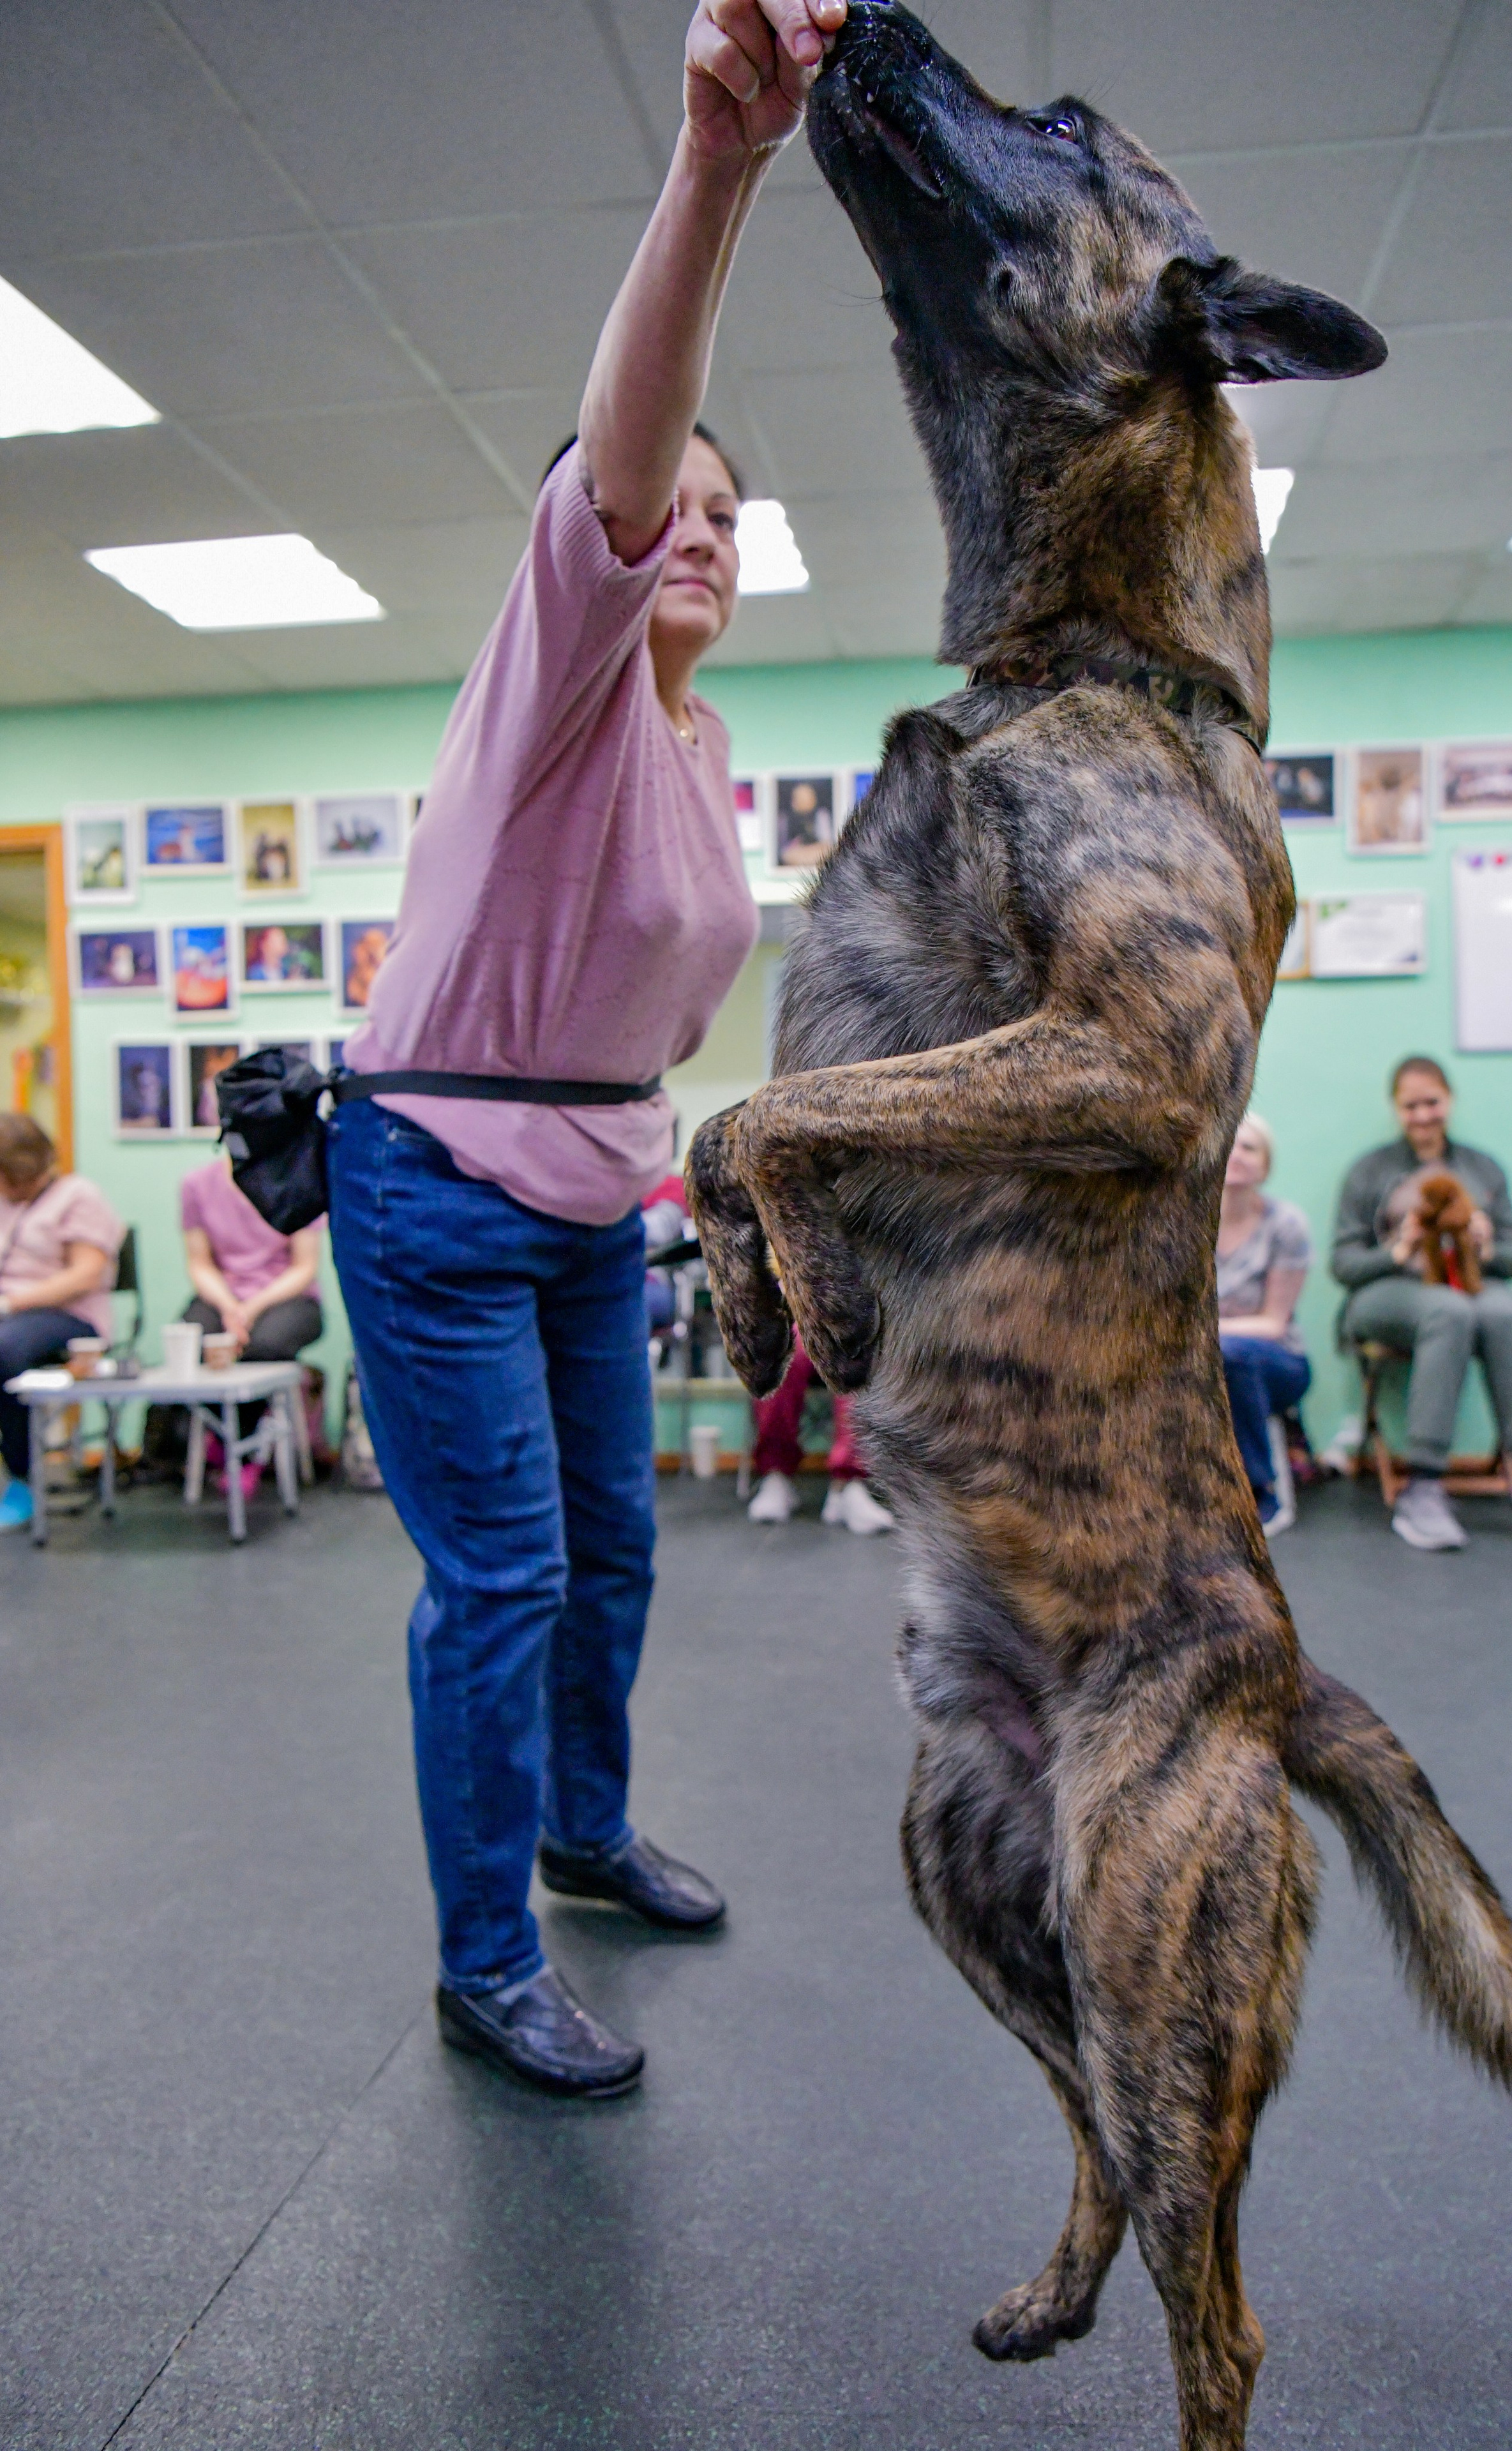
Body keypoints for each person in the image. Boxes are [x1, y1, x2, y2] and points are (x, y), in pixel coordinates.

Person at [325, 0, 849, 2101]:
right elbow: (628, 453)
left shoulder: (699, 747)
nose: (697, 528)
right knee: (507, 1574)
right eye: (675, 505)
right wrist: (719, 164)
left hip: (587, 1192)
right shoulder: (564, 660)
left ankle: (579, 1826)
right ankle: (482, 1957)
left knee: (616, 1548)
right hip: (439, 1183)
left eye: (734, 515)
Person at [1333, 1056, 1512, 1554]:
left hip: (1470, 1285)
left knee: (1501, 1310)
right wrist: (1398, 1250)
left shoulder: (1482, 1168)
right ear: (1396, 1109)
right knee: (1448, 1312)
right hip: (1386, 1293)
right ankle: (1424, 1486)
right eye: (1411, 1105)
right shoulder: (1370, 1170)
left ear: (1449, 1102)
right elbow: (1344, 1267)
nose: (1423, 1114)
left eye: (1432, 1102)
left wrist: (1488, 1245)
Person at [0, 1118, 124, 1532]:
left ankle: (22, 1479)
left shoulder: (78, 1197)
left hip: (70, 1319)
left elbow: (86, 1274)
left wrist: (12, 1302)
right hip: (10, 1315)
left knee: (6, 1349)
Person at [178, 1157, 324, 1499]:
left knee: (264, 1348)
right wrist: (230, 1306)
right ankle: (222, 1435)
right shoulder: (197, 1184)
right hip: (223, 1296)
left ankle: (246, 1450)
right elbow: (199, 1262)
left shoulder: (299, 1179)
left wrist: (252, 1308)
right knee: (193, 1338)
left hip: (287, 1295)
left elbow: (304, 1266)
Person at [1216, 1114, 1310, 1537]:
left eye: (1250, 1147)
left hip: (1278, 1364)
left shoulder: (1286, 1225)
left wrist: (1203, 1336)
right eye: (1230, 1144)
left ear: (1266, 1165)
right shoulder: (1182, 1225)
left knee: (1232, 1355)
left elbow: (1274, 1324)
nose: (1237, 1155)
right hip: (1203, 1359)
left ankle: (1260, 1490)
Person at [745, 1329, 894, 1532]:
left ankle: (847, 1486)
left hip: (845, 1320)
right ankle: (776, 1475)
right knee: (779, 1346)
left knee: (855, 1349)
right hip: (792, 1317)